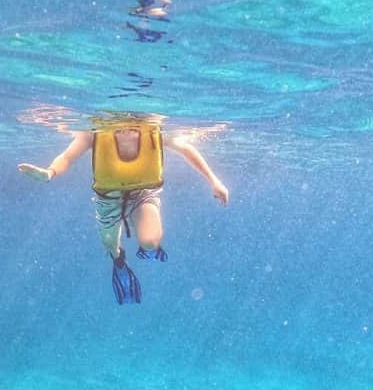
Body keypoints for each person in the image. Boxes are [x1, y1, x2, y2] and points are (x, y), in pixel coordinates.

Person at [18, 115, 229, 304]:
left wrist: (214, 180)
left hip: (143, 193)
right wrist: (49, 173)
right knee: (110, 245)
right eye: (119, 124)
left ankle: (148, 249)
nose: (125, 128)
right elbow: (66, 157)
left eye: (131, 123)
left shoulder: (153, 130)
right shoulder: (94, 133)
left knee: (150, 242)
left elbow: (187, 149)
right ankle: (119, 261)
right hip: (107, 199)